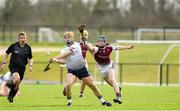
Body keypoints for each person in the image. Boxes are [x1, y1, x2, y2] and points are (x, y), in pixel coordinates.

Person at [49, 31, 111, 106]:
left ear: (72, 38)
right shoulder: (64, 49)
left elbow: (68, 53)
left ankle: (103, 101)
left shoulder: (76, 45)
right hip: (72, 70)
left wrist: (55, 57)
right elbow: (64, 61)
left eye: (69, 37)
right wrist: (56, 60)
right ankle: (69, 101)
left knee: (92, 86)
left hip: (82, 69)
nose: (67, 39)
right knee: (68, 85)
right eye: (66, 38)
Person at [82, 35, 134, 104]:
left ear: (105, 42)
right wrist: (86, 44)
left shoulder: (109, 47)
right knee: (110, 83)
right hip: (101, 69)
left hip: (110, 65)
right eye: (100, 41)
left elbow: (118, 47)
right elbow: (91, 49)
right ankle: (118, 88)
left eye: (103, 41)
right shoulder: (96, 49)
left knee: (112, 80)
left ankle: (118, 97)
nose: (101, 42)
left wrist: (128, 47)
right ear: (98, 42)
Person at [1, 32, 33, 102]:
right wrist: (4, 62)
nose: (23, 39)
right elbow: (6, 53)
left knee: (17, 85)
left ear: (26, 38)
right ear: (19, 39)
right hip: (13, 66)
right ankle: (10, 90)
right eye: (21, 38)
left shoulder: (28, 47)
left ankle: (11, 96)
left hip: (22, 68)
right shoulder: (14, 46)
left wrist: (30, 65)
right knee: (17, 79)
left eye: (24, 38)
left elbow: (30, 58)